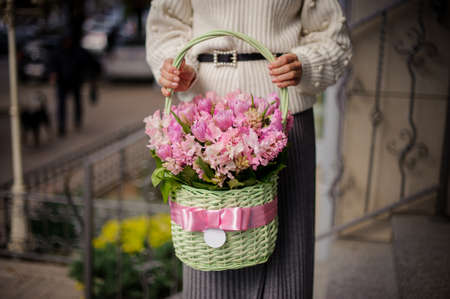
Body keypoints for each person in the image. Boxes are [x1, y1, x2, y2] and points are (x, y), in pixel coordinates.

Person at [145, 0, 352, 298]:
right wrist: (176, 65)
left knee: (286, 264)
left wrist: (305, 64)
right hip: (206, 122)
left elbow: (332, 36)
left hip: (284, 118)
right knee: (211, 256)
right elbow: (164, 28)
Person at [49, 34, 101, 137]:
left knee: (77, 103)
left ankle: (77, 121)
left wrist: (92, 78)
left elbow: (90, 62)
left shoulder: (78, 51)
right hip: (62, 82)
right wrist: (53, 73)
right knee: (61, 105)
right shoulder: (58, 51)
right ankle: (61, 126)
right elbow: (52, 64)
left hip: (75, 81)